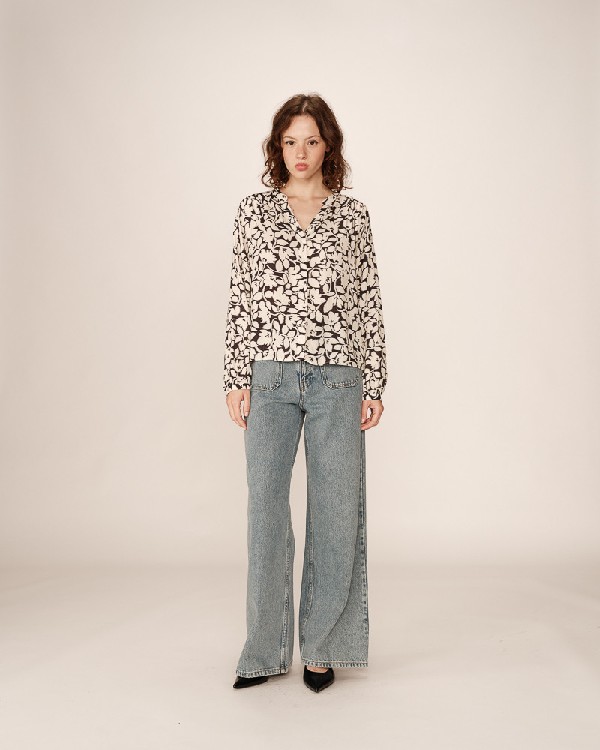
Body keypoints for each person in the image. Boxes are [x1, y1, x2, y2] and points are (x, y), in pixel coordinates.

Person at [223, 93, 387, 693]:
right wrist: (235, 376)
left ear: (328, 147)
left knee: (337, 512)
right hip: (268, 378)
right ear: (277, 147)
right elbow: (241, 295)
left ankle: (323, 648)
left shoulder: (353, 215)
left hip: (338, 377)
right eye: (290, 141)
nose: (300, 152)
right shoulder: (254, 212)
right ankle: (264, 651)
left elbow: (367, 298)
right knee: (266, 512)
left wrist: (375, 379)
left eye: (311, 141)